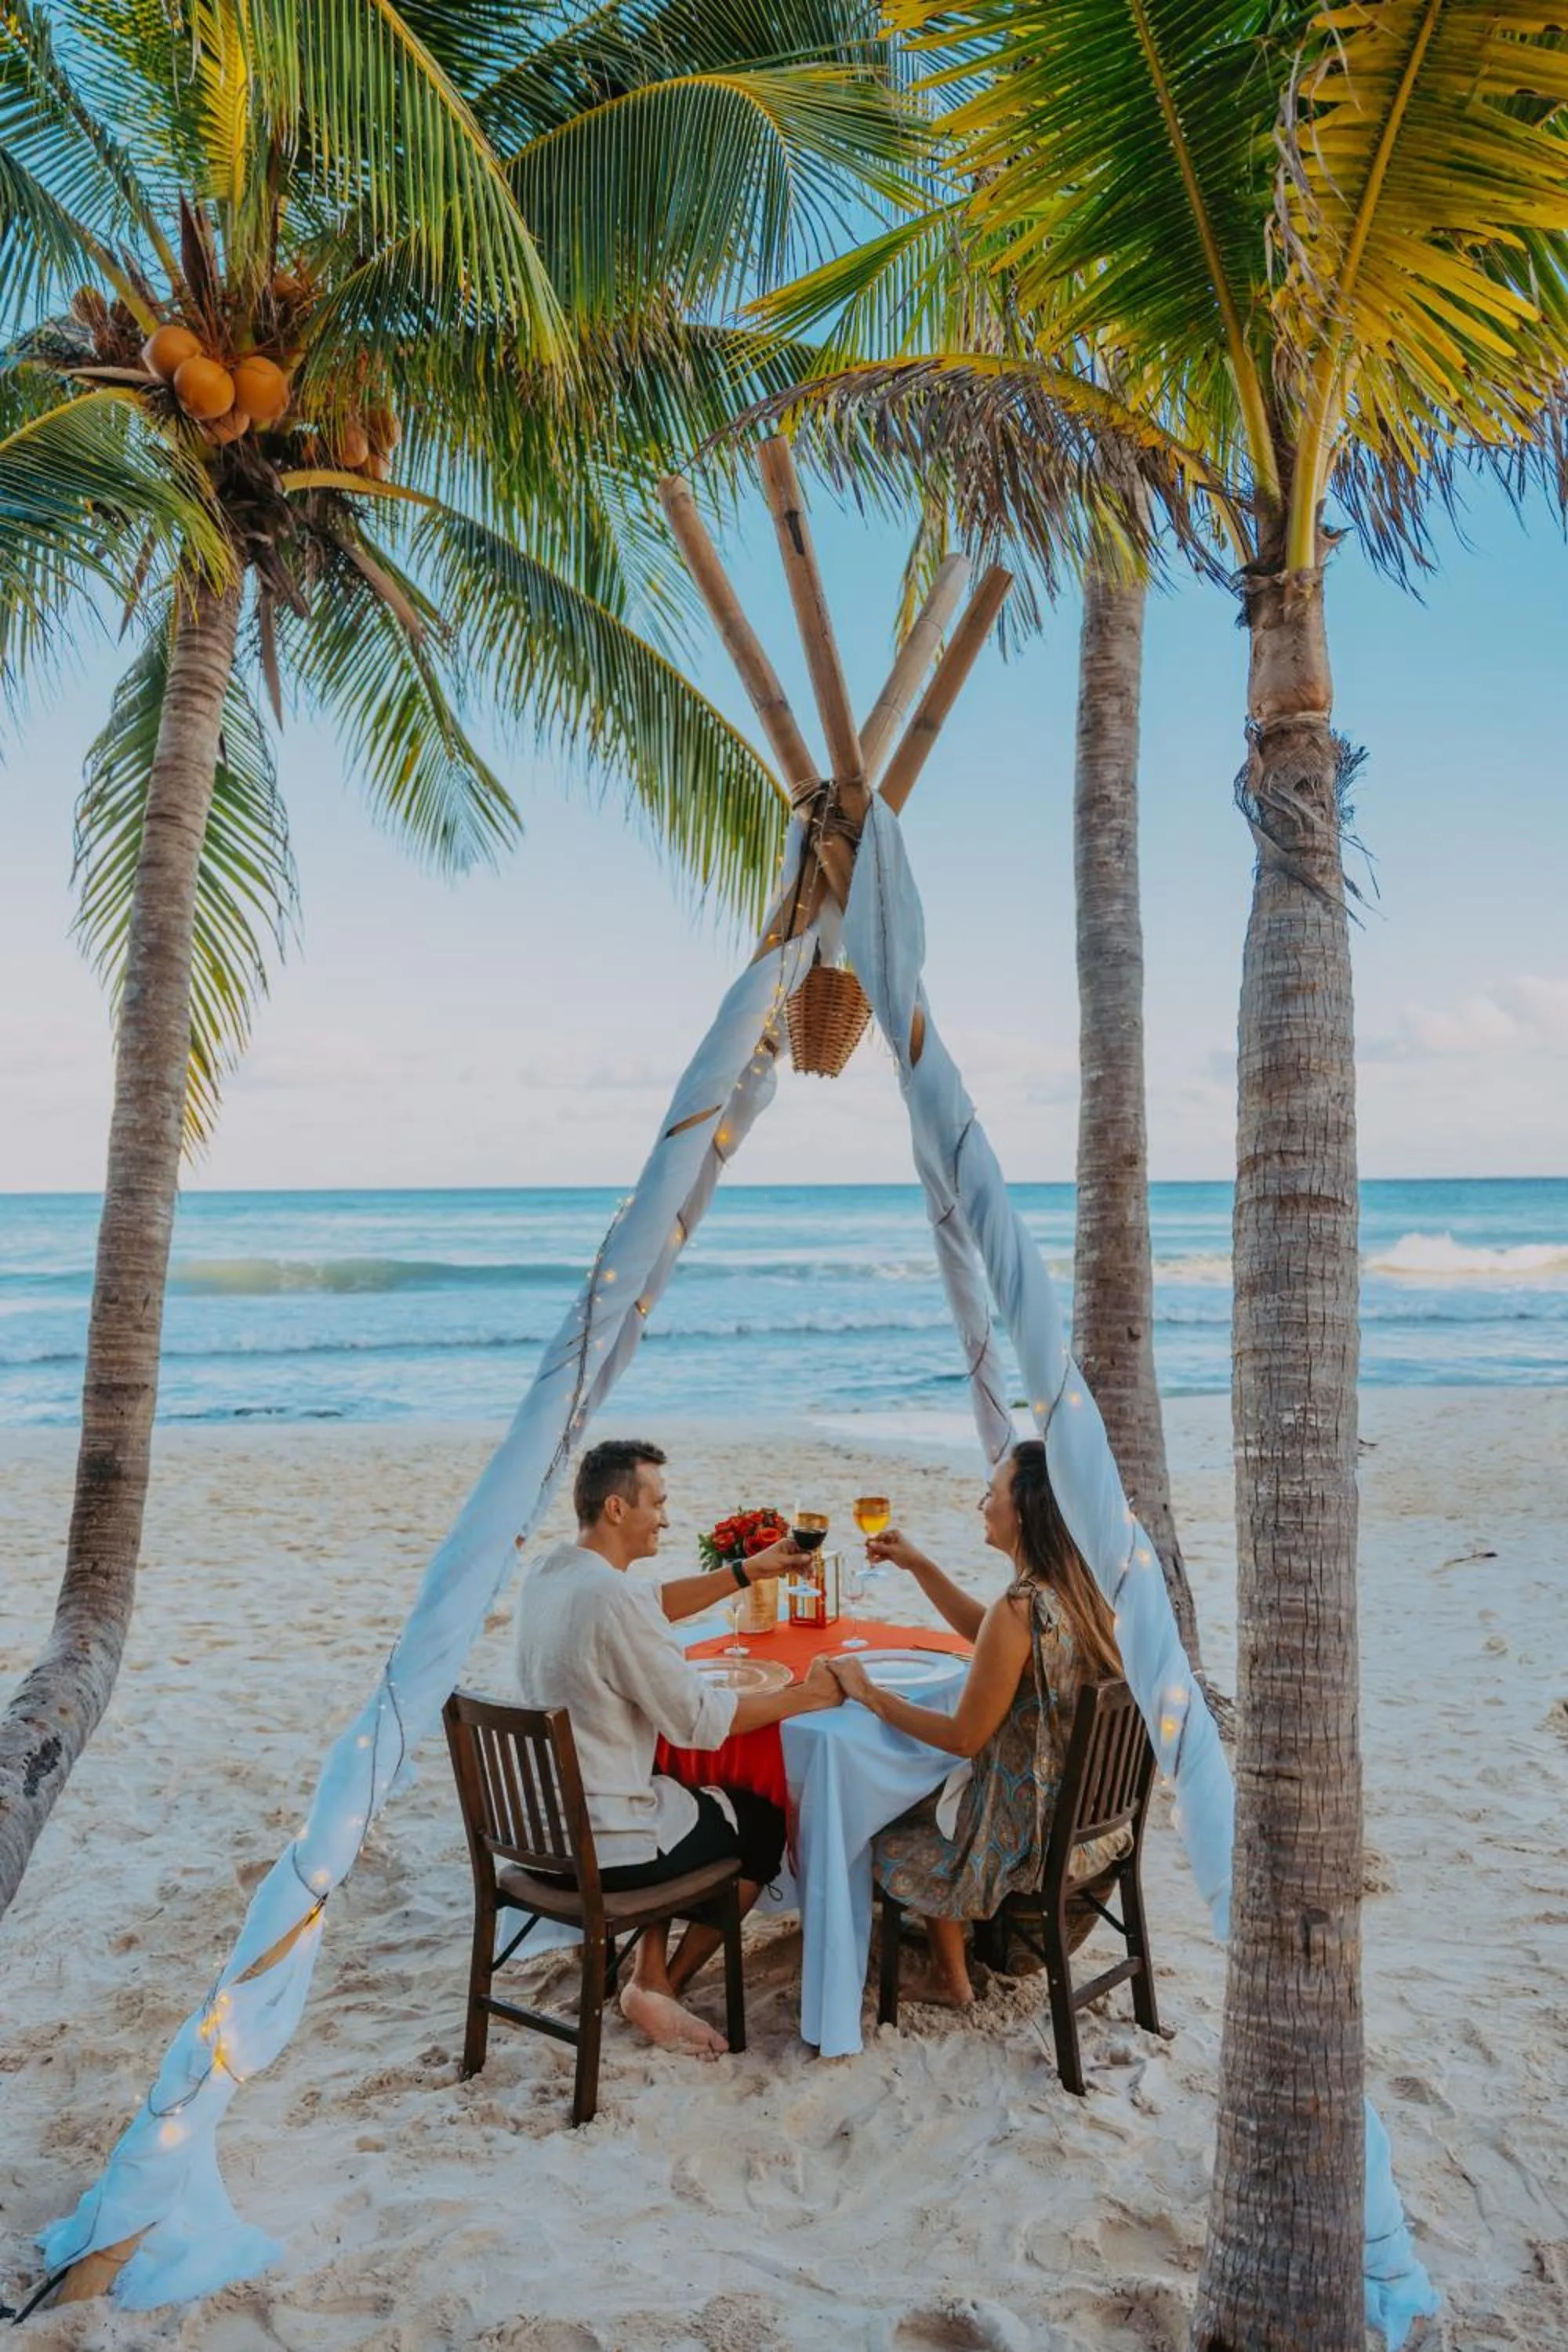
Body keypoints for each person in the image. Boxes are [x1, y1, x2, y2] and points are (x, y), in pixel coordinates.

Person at [514, 1437, 842, 2057]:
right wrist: (807, 1698)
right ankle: (658, 1985)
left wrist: (748, 1570)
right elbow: (699, 1721)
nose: (665, 1517)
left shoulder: (555, 1572)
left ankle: (651, 1977)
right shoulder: (612, 1600)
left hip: (535, 1832)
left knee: (679, 1791)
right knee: (762, 1823)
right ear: (617, 1509)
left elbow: (648, 1603)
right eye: (657, 1503)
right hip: (598, 1844)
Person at [826, 1437, 1121, 2009]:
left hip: (1026, 1832)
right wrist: (921, 1567)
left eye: (992, 1493)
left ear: (1024, 1510)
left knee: (883, 1823)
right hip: (1090, 1817)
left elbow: (964, 1736)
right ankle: (957, 1952)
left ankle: (949, 1978)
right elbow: (987, 1636)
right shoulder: (1080, 1593)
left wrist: (869, 1695)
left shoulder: (1021, 1609)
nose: (982, 1504)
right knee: (940, 1787)